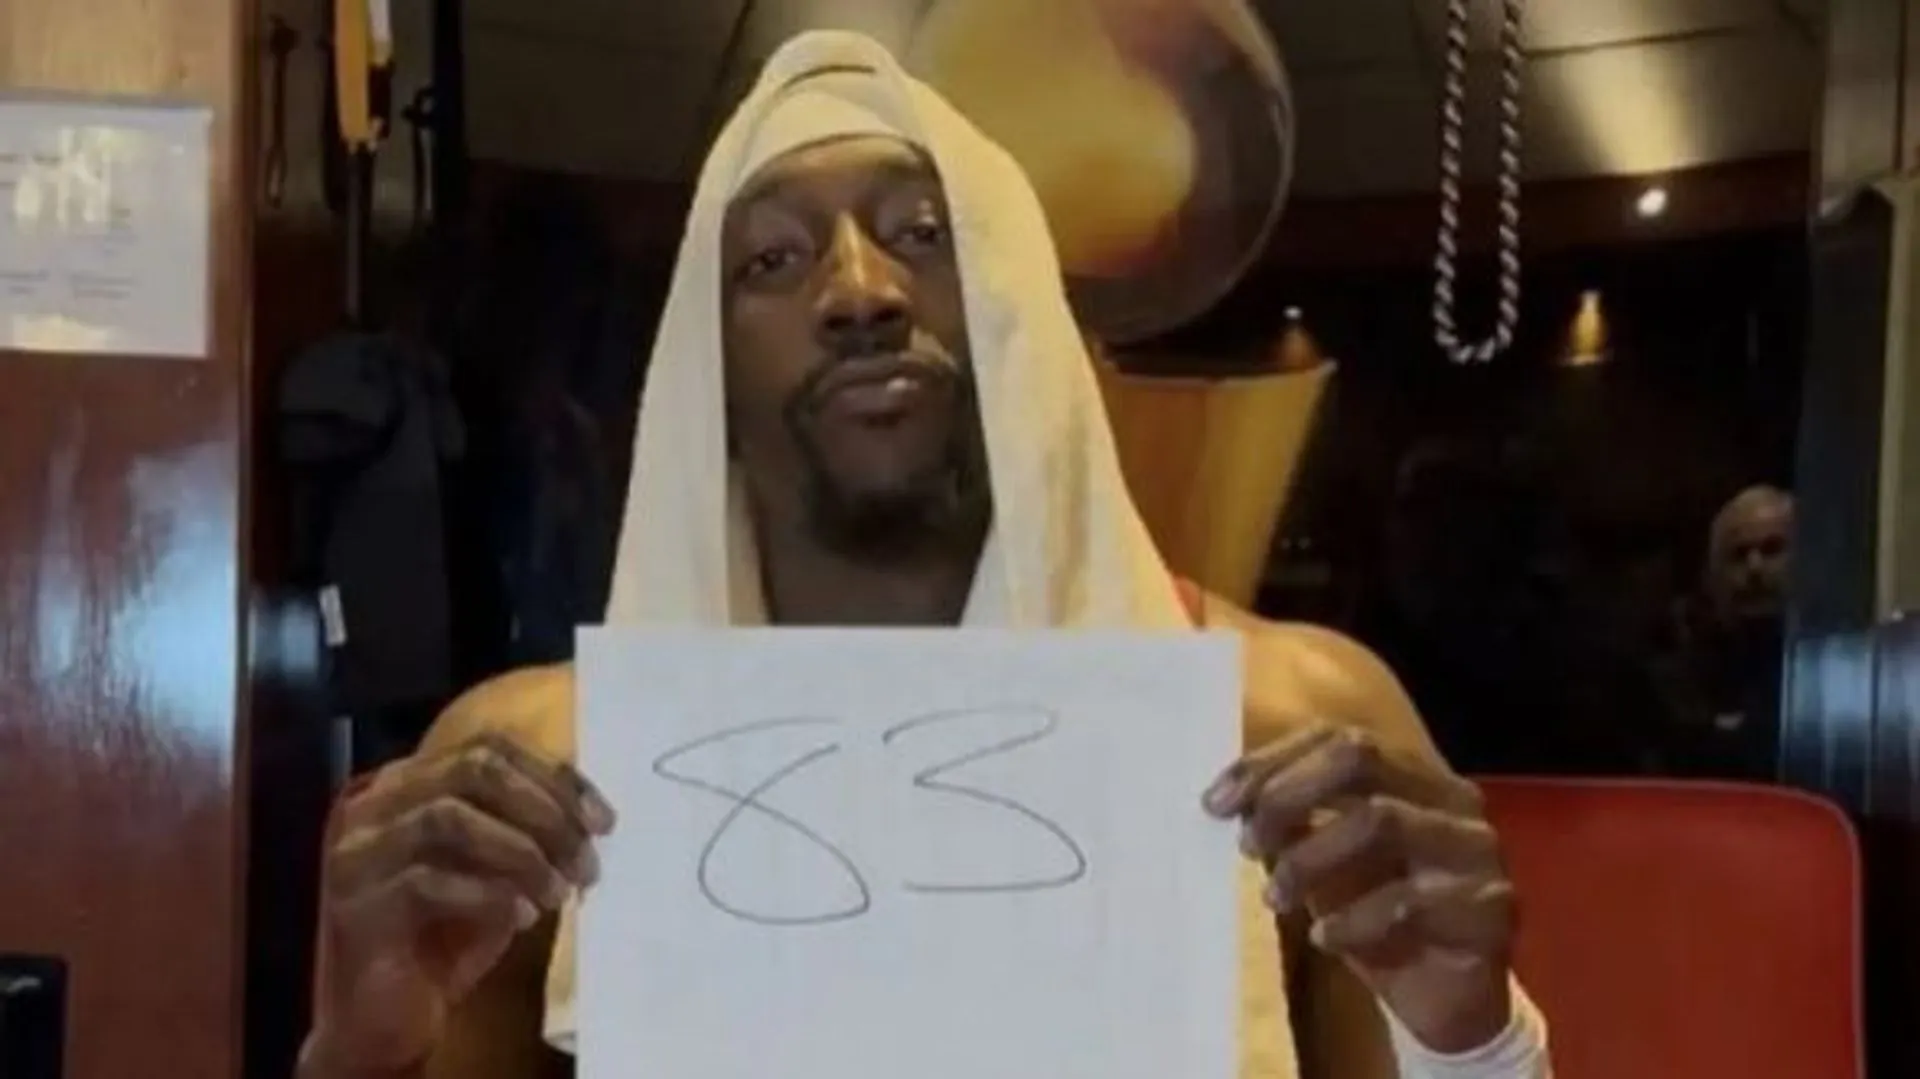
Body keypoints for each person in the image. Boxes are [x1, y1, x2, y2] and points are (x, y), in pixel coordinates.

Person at [297, 31, 1551, 1079]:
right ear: (704, 376)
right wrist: (359, 1050)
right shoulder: (539, 777)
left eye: (927, 231)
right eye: (773, 258)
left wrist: (1472, 1040)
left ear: (1024, 314)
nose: (860, 289)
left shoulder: (1289, 723)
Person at [1652, 485, 1793, 777]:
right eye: (1738, 555)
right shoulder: (1677, 687)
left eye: (1772, 550)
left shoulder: (1830, 675)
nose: (1754, 568)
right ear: (1713, 577)